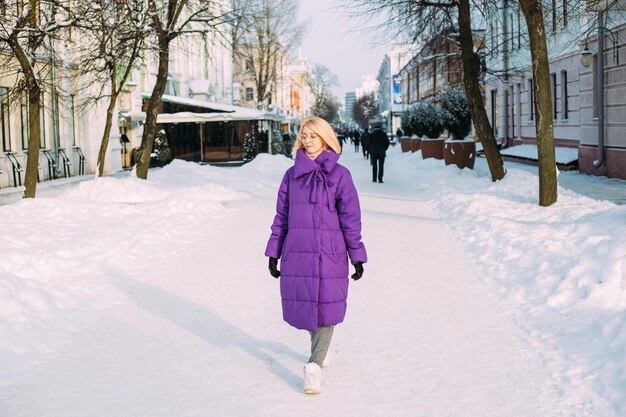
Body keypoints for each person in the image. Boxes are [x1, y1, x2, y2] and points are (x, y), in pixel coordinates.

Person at [265, 116, 367, 395]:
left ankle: (314, 366)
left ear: (325, 137)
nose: (307, 140)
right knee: (308, 305)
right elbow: (281, 216)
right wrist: (274, 251)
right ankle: (321, 349)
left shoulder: (340, 175)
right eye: (304, 135)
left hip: (329, 252)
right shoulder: (291, 175)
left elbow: (351, 219)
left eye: (313, 135)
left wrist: (356, 254)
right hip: (297, 252)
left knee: (326, 307)